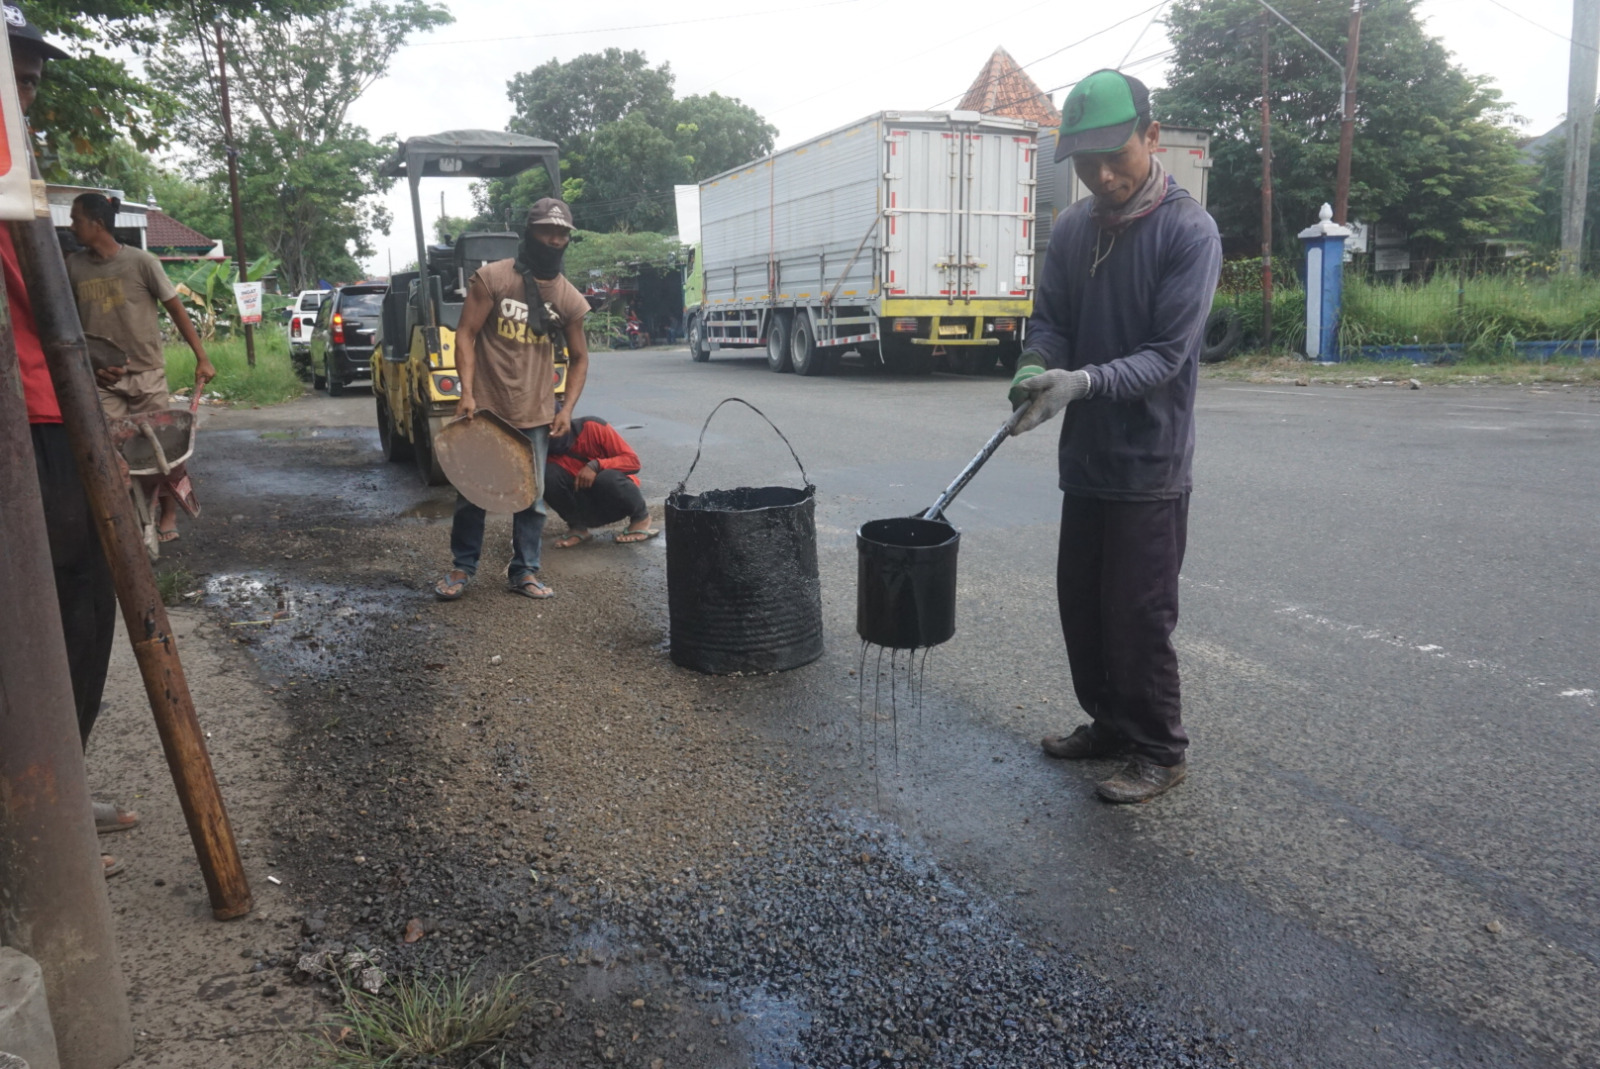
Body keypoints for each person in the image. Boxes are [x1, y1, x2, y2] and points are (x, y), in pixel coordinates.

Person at [1009, 69, 1221, 804]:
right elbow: (1052, 323)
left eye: (1116, 156)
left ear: (1153, 137)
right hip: (1088, 460)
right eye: (1085, 163)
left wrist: (1082, 383)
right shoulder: (1072, 228)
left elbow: (1167, 357)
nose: (1101, 175)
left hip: (1150, 462)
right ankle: (1107, 722)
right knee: (1085, 603)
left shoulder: (1189, 232)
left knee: (1137, 612)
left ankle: (1159, 748)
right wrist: (1034, 368)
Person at [5, 4, 135, 873]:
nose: (33, 83)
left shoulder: (21, 169)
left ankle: (52, 785)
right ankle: (38, 812)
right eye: (19, 67)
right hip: (32, 425)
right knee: (60, 609)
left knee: (80, 606)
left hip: (62, 409)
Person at [434, 197, 591, 601]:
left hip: (535, 412)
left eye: (562, 233)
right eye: (547, 231)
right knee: (473, 492)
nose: (554, 239)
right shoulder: (494, 279)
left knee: (531, 499)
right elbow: (465, 333)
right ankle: (462, 567)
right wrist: (466, 393)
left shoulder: (568, 298)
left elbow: (580, 358)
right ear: (530, 232)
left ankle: (525, 572)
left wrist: (566, 408)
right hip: (485, 409)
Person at [66, 190, 214, 543]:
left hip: (146, 373)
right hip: (102, 378)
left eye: (76, 220)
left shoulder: (141, 262)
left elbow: (176, 309)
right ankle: (124, 516)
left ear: (97, 223)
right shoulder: (73, 267)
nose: (72, 227)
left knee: (160, 449)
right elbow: (68, 325)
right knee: (109, 451)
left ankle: (167, 512)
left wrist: (202, 357)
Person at [544, 414, 658, 546]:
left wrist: (596, 466)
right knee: (547, 476)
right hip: (585, 508)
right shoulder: (545, 451)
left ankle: (641, 519)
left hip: (615, 499)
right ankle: (578, 528)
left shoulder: (592, 427)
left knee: (606, 478)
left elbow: (633, 462)